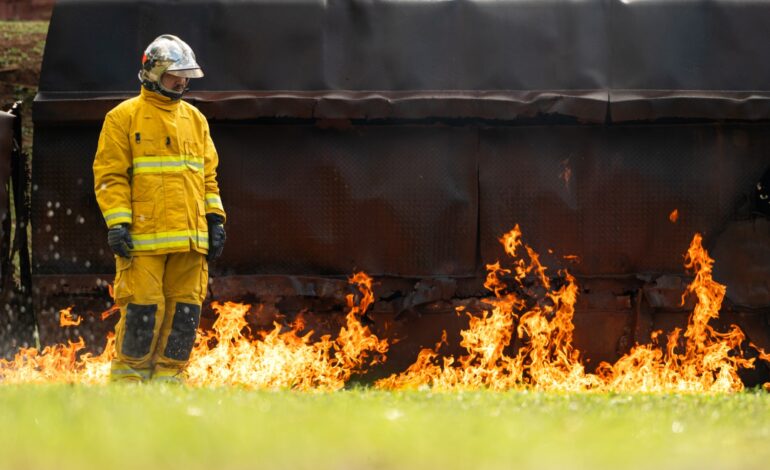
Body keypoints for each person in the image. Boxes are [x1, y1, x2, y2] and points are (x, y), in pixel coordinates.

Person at [93, 34, 226, 383]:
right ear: (153, 73)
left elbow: (208, 177)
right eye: (174, 77)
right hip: (144, 238)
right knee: (142, 310)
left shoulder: (195, 120)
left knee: (185, 312)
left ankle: (170, 381)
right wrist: (118, 223)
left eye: (184, 78)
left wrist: (215, 220)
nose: (181, 83)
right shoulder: (123, 118)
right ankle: (129, 382)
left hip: (191, 240)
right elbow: (110, 176)